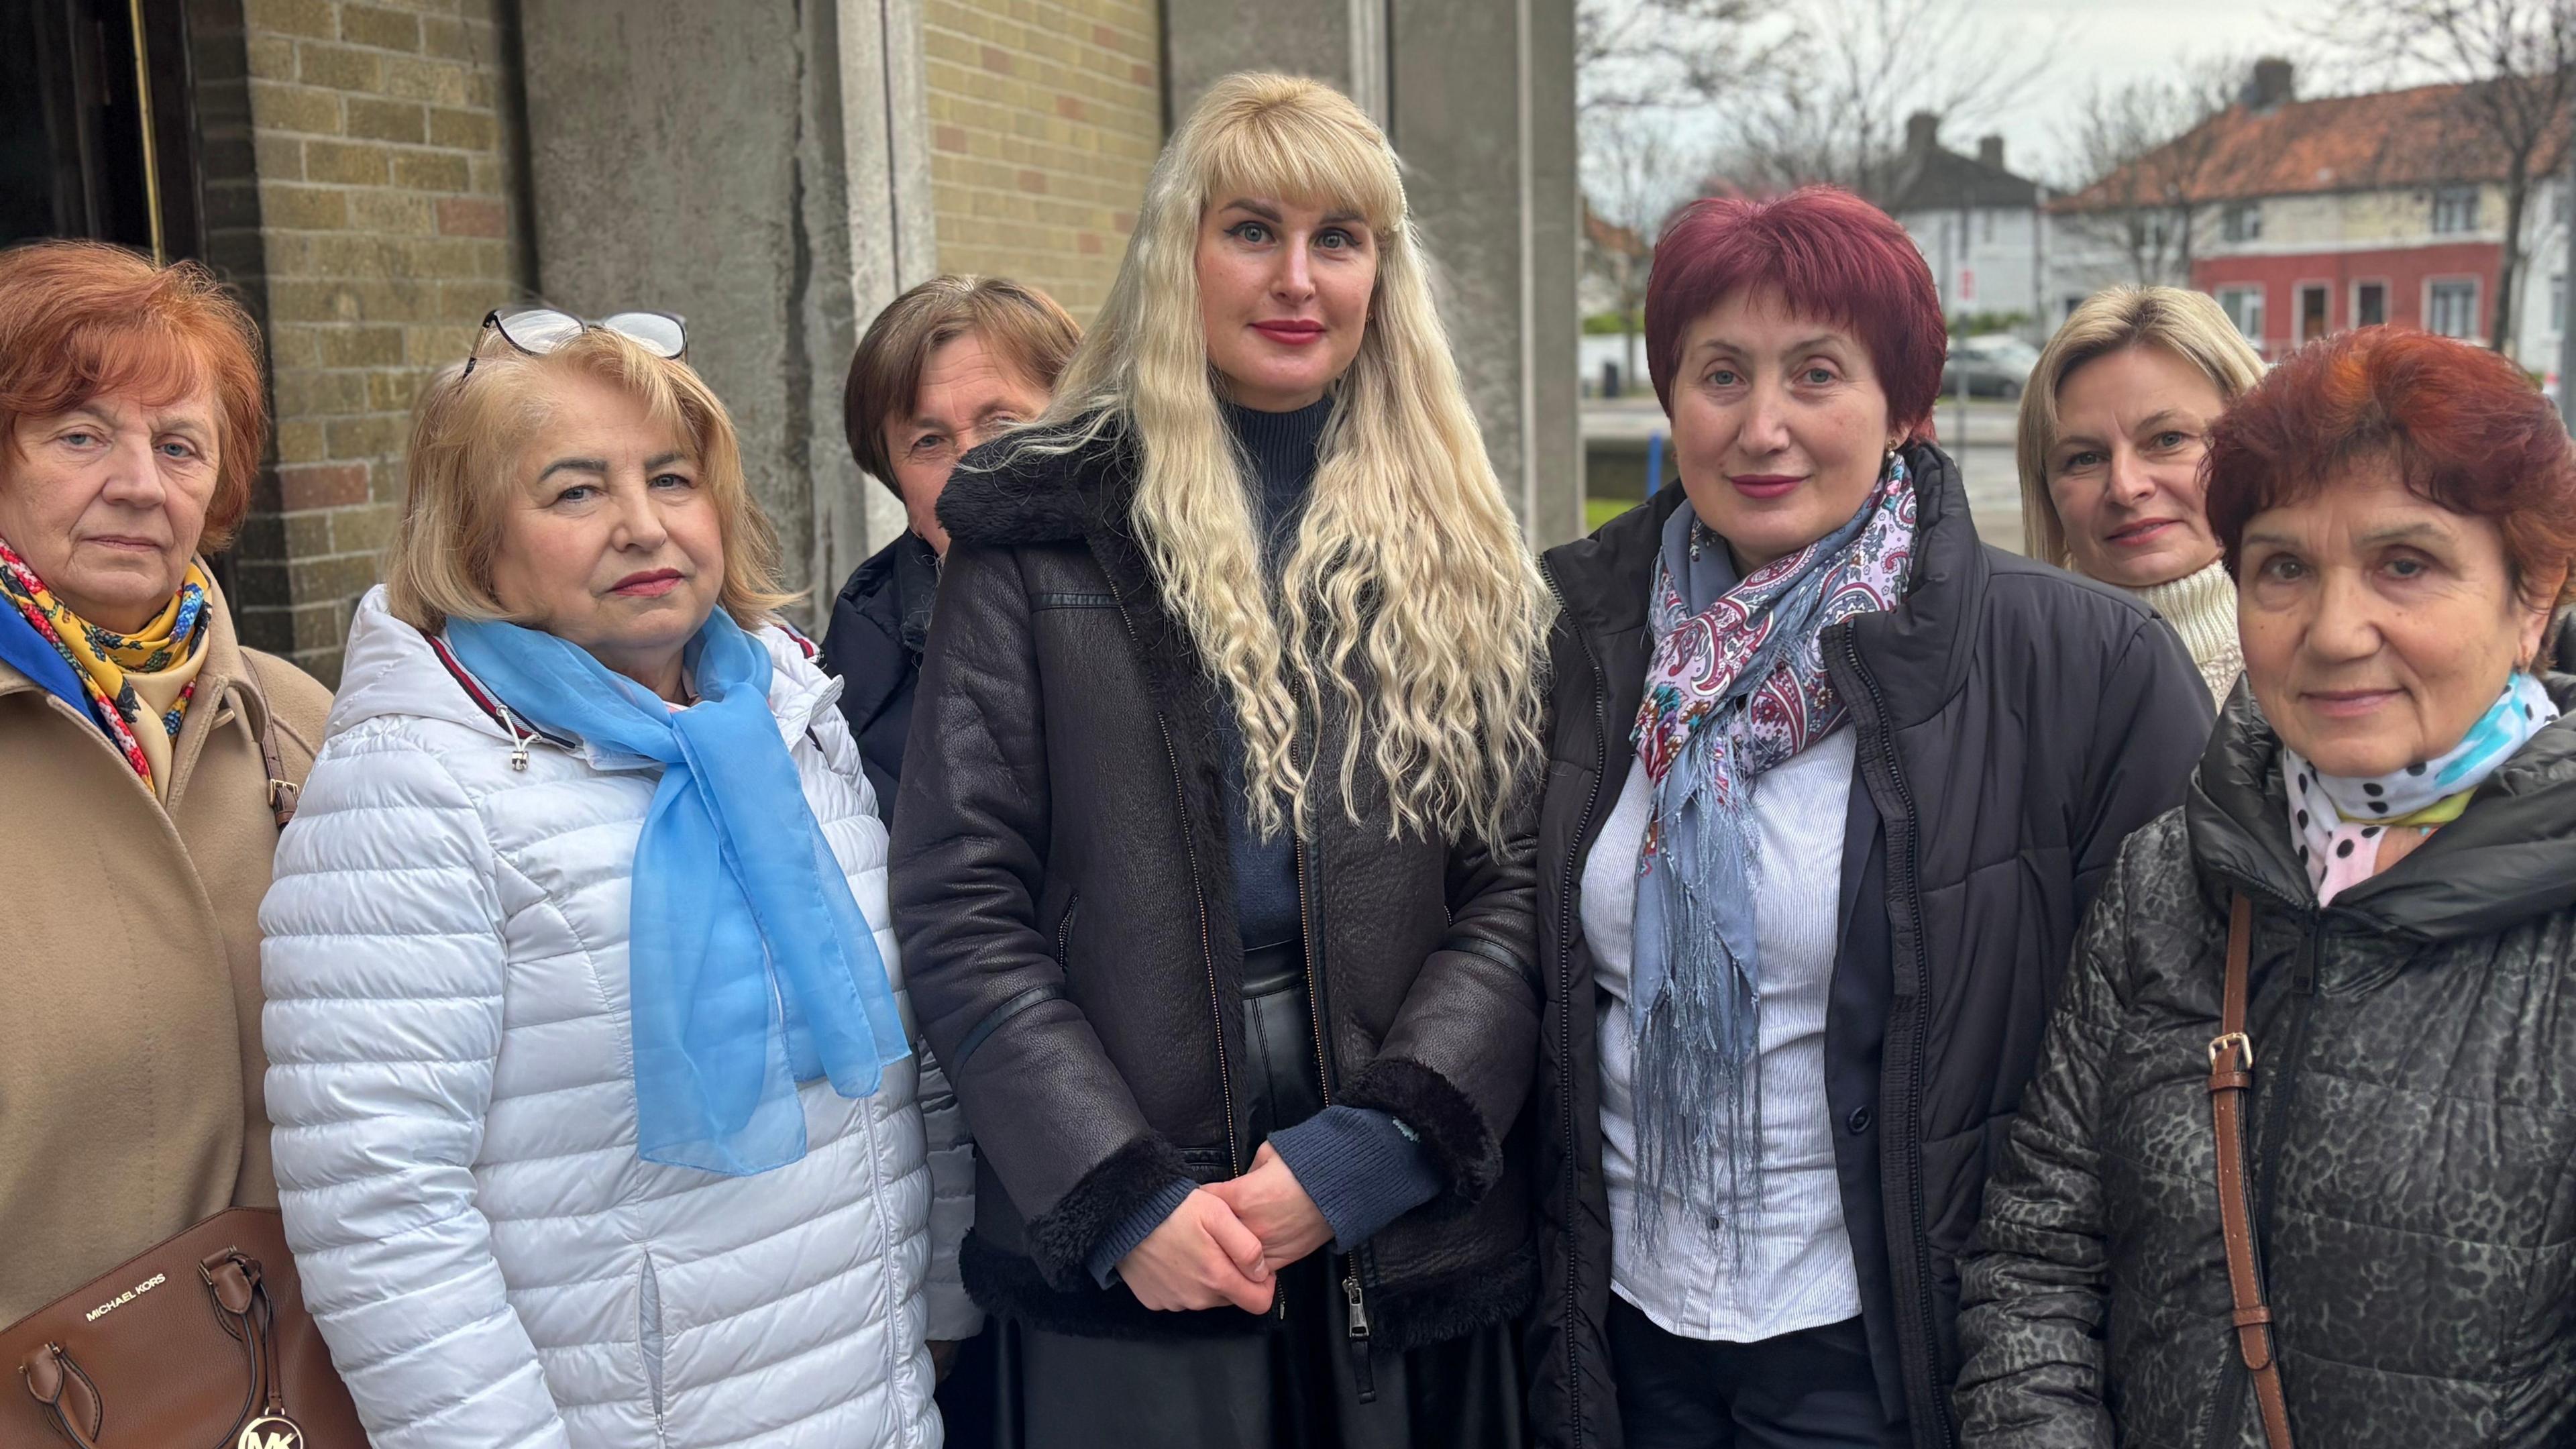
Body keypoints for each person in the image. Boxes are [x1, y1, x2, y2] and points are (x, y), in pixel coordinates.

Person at [890, 72, 1548, 1448]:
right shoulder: (1037, 528)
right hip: (1136, 1188)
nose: (1297, 279)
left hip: (1404, 1203)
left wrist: (1384, 1145)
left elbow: (1522, 885)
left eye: (1338, 239)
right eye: (1252, 231)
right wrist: (1119, 1194)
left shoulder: (1457, 540)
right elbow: (960, 903)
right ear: (1177, 252)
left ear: (1382, 273)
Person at [1525, 189, 2213, 1449]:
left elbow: (2157, 1072)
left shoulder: (2088, 664)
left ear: (1905, 408)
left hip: (1888, 1347)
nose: (1763, 426)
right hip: (1626, 1330)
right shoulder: (1582, 642)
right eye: (1720, 374)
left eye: (1817, 374)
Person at [260, 311, 963, 1448]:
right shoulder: (415, 787)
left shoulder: (787, 720)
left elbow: (904, 1061)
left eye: (672, 479)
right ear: (474, 539)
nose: (644, 526)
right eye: (576, 492)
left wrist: (942, 1323)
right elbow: (380, 1207)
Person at [1958, 327, 2576, 1445]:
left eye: (2406, 563)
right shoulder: (2167, 876)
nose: (2334, 633)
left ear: (2532, 597)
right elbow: (2038, 1260)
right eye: (2284, 567)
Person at [0, 240, 332, 1322]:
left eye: (180, 446)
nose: (140, 484)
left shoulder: (303, 723)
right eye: (79, 435)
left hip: (295, 1370)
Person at [822, 274, 1080, 809]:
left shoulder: (1185, 593)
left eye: (1003, 424)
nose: (972, 467)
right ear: (898, 486)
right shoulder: (853, 676)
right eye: (929, 442)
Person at [2017, 286, 2267, 702]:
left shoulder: (2326, 664)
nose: (2126, 488)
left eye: (2168, 439)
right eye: (2084, 459)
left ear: (2253, 443)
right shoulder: (2005, 682)